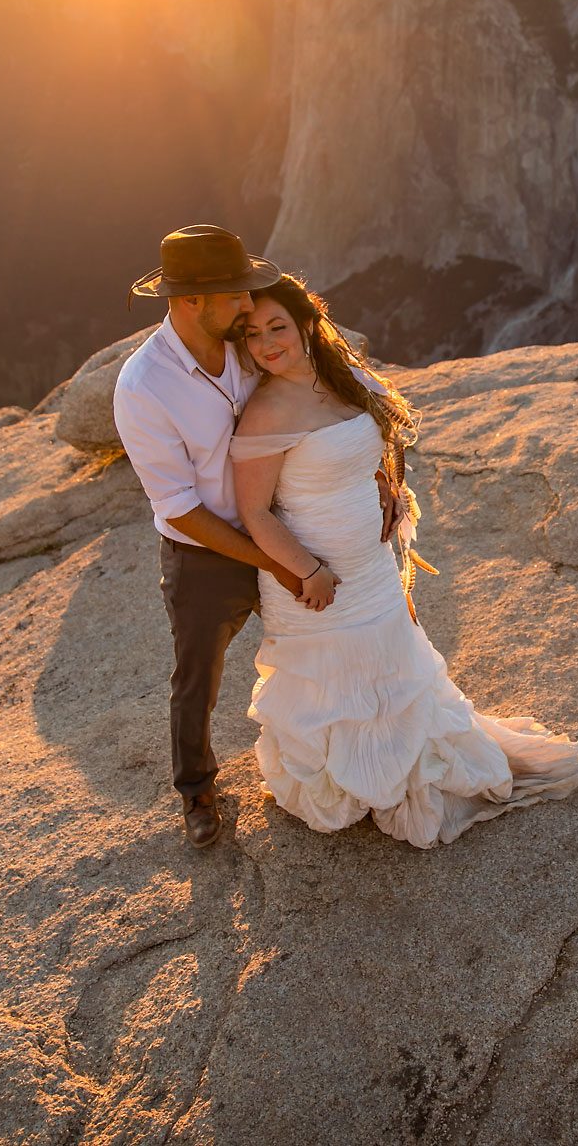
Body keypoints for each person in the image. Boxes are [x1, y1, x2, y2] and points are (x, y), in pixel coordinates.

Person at [230, 274, 578, 848]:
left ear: (306, 323)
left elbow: (386, 437)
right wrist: (308, 570)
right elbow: (255, 513)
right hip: (312, 582)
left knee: (392, 669)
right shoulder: (267, 411)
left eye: (277, 326)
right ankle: (351, 781)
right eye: (252, 335)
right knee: (337, 681)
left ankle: (403, 764)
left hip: (371, 566)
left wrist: (392, 490)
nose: (268, 343)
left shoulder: (345, 378)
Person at [114, 225, 391, 850]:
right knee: (198, 674)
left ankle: (351, 748)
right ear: (192, 301)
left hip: (290, 525)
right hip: (208, 550)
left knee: (328, 641)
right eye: (237, 294)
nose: (249, 306)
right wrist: (284, 564)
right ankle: (197, 791)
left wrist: (370, 476)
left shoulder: (244, 343)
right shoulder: (144, 387)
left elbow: (325, 403)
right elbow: (180, 509)